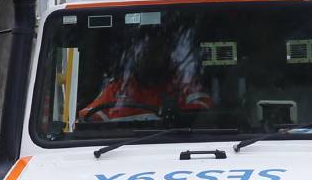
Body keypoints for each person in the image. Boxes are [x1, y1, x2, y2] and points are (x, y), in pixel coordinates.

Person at [78, 30, 212, 121]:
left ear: (169, 56)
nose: (150, 59)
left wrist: (177, 114)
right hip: (121, 149)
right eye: (145, 53)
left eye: (156, 53)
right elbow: (88, 115)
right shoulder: (118, 89)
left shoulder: (184, 85)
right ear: (136, 56)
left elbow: (205, 112)